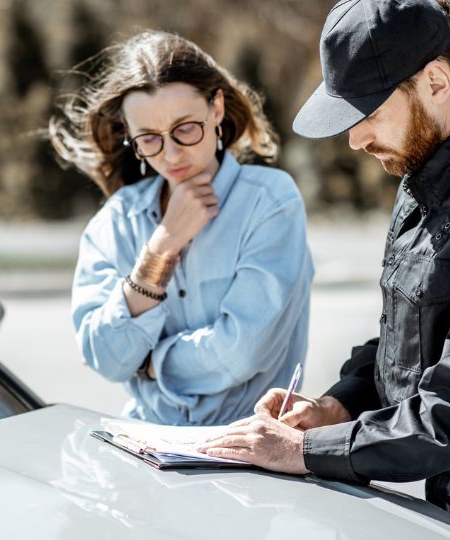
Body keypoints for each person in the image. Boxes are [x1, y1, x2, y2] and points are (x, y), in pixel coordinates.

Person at [199, 0, 450, 537]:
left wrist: (305, 451)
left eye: (367, 112)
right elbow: (415, 341)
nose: (354, 139)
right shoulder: (429, 168)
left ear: (435, 80)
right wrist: (334, 407)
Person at [50, 31, 313, 426]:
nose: (171, 154)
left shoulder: (270, 201)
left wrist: (150, 364)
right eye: (150, 139)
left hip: (248, 452)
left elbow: (241, 352)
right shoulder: (117, 220)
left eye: (185, 128)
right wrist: (158, 253)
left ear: (217, 109)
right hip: (142, 446)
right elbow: (105, 358)